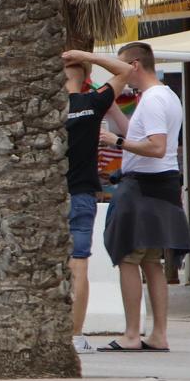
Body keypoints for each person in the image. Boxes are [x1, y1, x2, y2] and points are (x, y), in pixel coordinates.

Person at [71, 43, 190, 352]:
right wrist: (114, 114)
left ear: (135, 65)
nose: (117, 73)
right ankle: (158, 334)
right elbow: (147, 141)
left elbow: (156, 147)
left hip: (143, 187)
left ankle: (132, 334)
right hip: (161, 186)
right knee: (152, 262)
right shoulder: (165, 96)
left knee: (128, 258)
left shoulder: (151, 101)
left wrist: (117, 140)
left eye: (119, 66)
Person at [60, 56, 124, 351]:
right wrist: (87, 57)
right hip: (82, 194)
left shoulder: (47, 109)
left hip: (49, 196)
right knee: (79, 262)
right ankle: (75, 335)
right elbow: (126, 70)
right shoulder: (92, 103)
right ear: (84, 77)